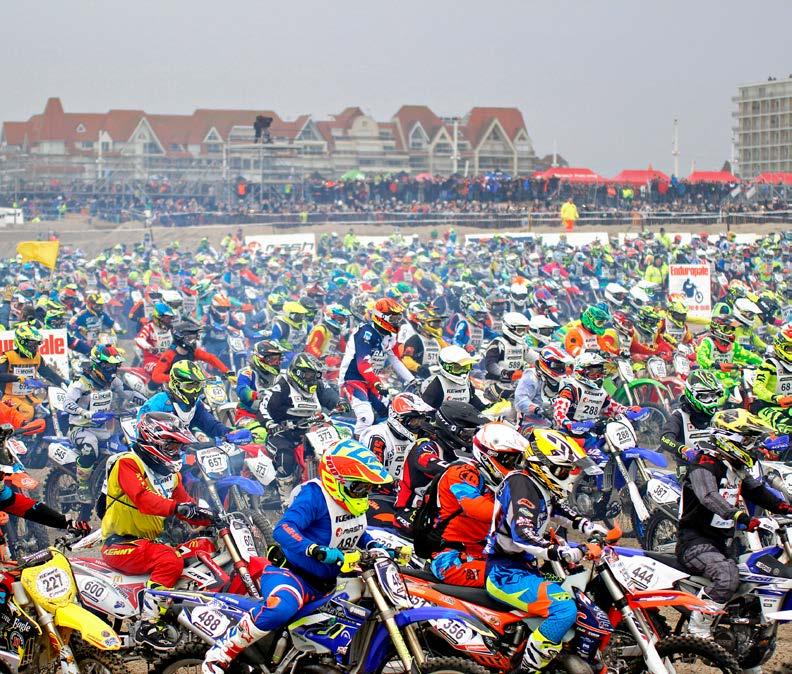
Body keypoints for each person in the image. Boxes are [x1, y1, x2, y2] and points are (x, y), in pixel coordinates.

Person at [202, 439, 392, 674]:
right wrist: (315, 549)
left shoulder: (352, 502)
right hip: (293, 575)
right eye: (360, 486)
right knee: (281, 608)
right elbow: (284, 529)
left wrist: (375, 545)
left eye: (367, 487)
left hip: (332, 582)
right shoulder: (315, 495)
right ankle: (220, 654)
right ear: (338, 480)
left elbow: (355, 531)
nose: (364, 493)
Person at [485, 424, 606, 672]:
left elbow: (559, 510)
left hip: (526, 567)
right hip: (505, 573)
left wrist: (588, 526)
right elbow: (524, 534)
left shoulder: (538, 485)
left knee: (582, 596)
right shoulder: (521, 485)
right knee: (564, 609)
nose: (570, 475)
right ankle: (528, 669)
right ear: (544, 465)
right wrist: (564, 551)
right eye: (564, 469)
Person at [101, 412, 214, 649]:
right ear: (153, 441)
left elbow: (186, 508)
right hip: (120, 543)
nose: (177, 452)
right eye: (172, 445)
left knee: (202, 546)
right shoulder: (128, 463)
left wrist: (213, 520)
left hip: (147, 543)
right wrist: (178, 507)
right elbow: (143, 499)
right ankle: (148, 624)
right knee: (168, 559)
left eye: (179, 446)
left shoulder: (171, 475)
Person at [677, 410, 792, 638]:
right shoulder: (704, 463)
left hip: (724, 543)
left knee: (755, 580)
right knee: (727, 575)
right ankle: (697, 630)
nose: (752, 446)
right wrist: (741, 517)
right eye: (748, 439)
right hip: (695, 541)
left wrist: (786, 507)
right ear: (728, 438)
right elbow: (708, 496)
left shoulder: (733, 466)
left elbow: (757, 491)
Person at [431, 423, 527, 587]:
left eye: (518, 459)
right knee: (520, 581)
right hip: (453, 559)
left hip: (489, 556)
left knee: (541, 574)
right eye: (510, 459)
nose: (515, 465)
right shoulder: (462, 472)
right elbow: (476, 508)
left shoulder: (501, 480)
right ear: (490, 455)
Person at [259, 353, 340, 505]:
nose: (313, 379)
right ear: (298, 373)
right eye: (309, 375)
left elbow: (329, 395)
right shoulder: (282, 386)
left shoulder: (317, 385)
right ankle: (286, 500)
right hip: (283, 432)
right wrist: (271, 425)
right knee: (286, 457)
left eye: (315, 375)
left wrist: (339, 403)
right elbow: (264, 407)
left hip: (309, 429)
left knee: (335, 447)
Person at [393, 401, 485, 532]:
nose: (470, 439)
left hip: (439, 512)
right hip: (411, 513)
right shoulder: (425, 445)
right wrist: (464, 472)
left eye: (473, 434)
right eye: (466, 434)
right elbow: (426, 461)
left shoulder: (463, 453)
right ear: (451, 429)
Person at [340, 298, 415, 435]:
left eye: (398, 318)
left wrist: (413, 380)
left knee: (391, 413)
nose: (397, 322)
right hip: (352, 379)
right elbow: (363, 364)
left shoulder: (390, 336)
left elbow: (395, 360)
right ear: (382, 317)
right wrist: (378, 384)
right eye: (394, 318)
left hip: (371, 380)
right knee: (366, 417)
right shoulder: (365, 333)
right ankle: (357, 448)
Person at [63, 345, 127, 504]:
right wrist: (85, 412)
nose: (112, 370)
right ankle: (82, 486)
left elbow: (127, 394)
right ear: (97, 364)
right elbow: (66, 403)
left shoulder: (113, 381)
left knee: (125, 446)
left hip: (104, 429)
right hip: (80, 428)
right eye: (109, 366)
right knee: (90, 448)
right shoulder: (81, 382)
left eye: (115, 366)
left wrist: (144, 403)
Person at [139, 360, 241, 442]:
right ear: (176, 384)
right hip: (160, 454)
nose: (195, 391)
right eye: (190, 386)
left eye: (198, 386)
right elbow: (141, 433)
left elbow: (210, 424)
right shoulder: (158, 403)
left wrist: (229, 433)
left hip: (183, 448)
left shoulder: (195, 404)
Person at [359, 392, 434, 483]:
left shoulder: (415, 439)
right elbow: (373, 472)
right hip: (378, 490)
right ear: (398, 417)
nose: (419, 425)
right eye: (414, 421)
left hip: (400, 489)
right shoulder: (377, 435)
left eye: (421, 420)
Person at [552, 352, 635, 432]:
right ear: (581, 371)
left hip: (590, 432)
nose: (598, 376)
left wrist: (629, 410)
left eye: (600, 372)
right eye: (594, 372)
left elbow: (613, 408)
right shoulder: (572, 388)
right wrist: (568, 423)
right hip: (568, 433)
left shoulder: (601, 392)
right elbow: (558, 411)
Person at [0, 322, 66, 421]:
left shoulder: (37, 358)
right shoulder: (7, 356)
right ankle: (18, 436)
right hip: (9, 398)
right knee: (28, 411)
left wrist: (65, 383)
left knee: (50, 413)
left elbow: (49, 374)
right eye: (32, 343)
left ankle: (41, 436)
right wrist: (19, 378)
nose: (35, 347)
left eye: (36, 343)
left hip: (30, 397)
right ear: (21, 341)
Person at [660, 371, 725, 462]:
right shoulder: (679, 416)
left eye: (713, 395)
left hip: (716, 465)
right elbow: (665, 438)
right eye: (705, 396)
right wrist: (683, 449)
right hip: (688, 468)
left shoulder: (719, 416)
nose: (711, 400)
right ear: (692, 395)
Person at [150, 319, 230, 389]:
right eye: (191, 338)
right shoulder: (169, 355)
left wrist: (227, 372)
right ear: (180, 338)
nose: (194, 341)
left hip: (188, 387)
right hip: (171, 388)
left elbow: (211, 358)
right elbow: (156, 376)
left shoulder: (193, 352)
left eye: (195, 338)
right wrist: (177, 378)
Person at [234, 340, 286, 442]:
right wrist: (256, 394)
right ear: (260, 358)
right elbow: (241, 390)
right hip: (249, 415)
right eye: (272, 359)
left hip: (271, 416)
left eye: (278, 359)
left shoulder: (282, 375)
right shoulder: (247, 372)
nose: (276, 363)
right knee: (261, 436)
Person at [752, 326, 792, 434]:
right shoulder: (769, 365)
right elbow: (758, 387)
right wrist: (776, 398)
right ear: (780, 346)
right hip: (767, 406)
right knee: (787, 426)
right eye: (789, 348)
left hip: (788, 406)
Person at [421, 345, 486, 411]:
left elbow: (475, 402)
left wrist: (488, 408)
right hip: (442, 420)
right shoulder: (437, 384)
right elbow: (425, 409)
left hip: (463, 419)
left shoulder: (467, 383)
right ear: (444, 366)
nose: (462, 373)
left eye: (465, 367)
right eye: (457, 368)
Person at [514, 345, 572, 419]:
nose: (561, 369)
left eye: (562, 366)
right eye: (557, 365)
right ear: (546, 363)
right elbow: (520, 400)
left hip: (555, 422)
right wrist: (537, 410)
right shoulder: (532, 376)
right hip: (531, 422)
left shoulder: (565, 380)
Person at [483, 311, 530, 390]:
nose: (522, 333)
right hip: (495, 383)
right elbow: (490, 365)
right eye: (520, 330)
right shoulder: (498, 344)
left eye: (524, 330)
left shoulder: (522, 345)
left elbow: (534, 358)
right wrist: (506, 373)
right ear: (509, 328)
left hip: (515, 383)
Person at [400, 302, 446, 378]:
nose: (437, 327)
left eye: (438, 324)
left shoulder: (438, 340)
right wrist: (419, 368)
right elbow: (406, 359)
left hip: (437, 376)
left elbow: (448, 350)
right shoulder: (415, 340)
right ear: (424, 323)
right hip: (418, 377)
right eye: (434, 324)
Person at [134, 301, 176, 375]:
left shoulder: (171, 328)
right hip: (152, 361)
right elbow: (139, 339)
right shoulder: (149, 327)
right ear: (159, 317)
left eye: (171, 318)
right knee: (161, 370)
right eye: (168, 318)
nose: (170, 320)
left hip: (169, 359)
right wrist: (150, 348)